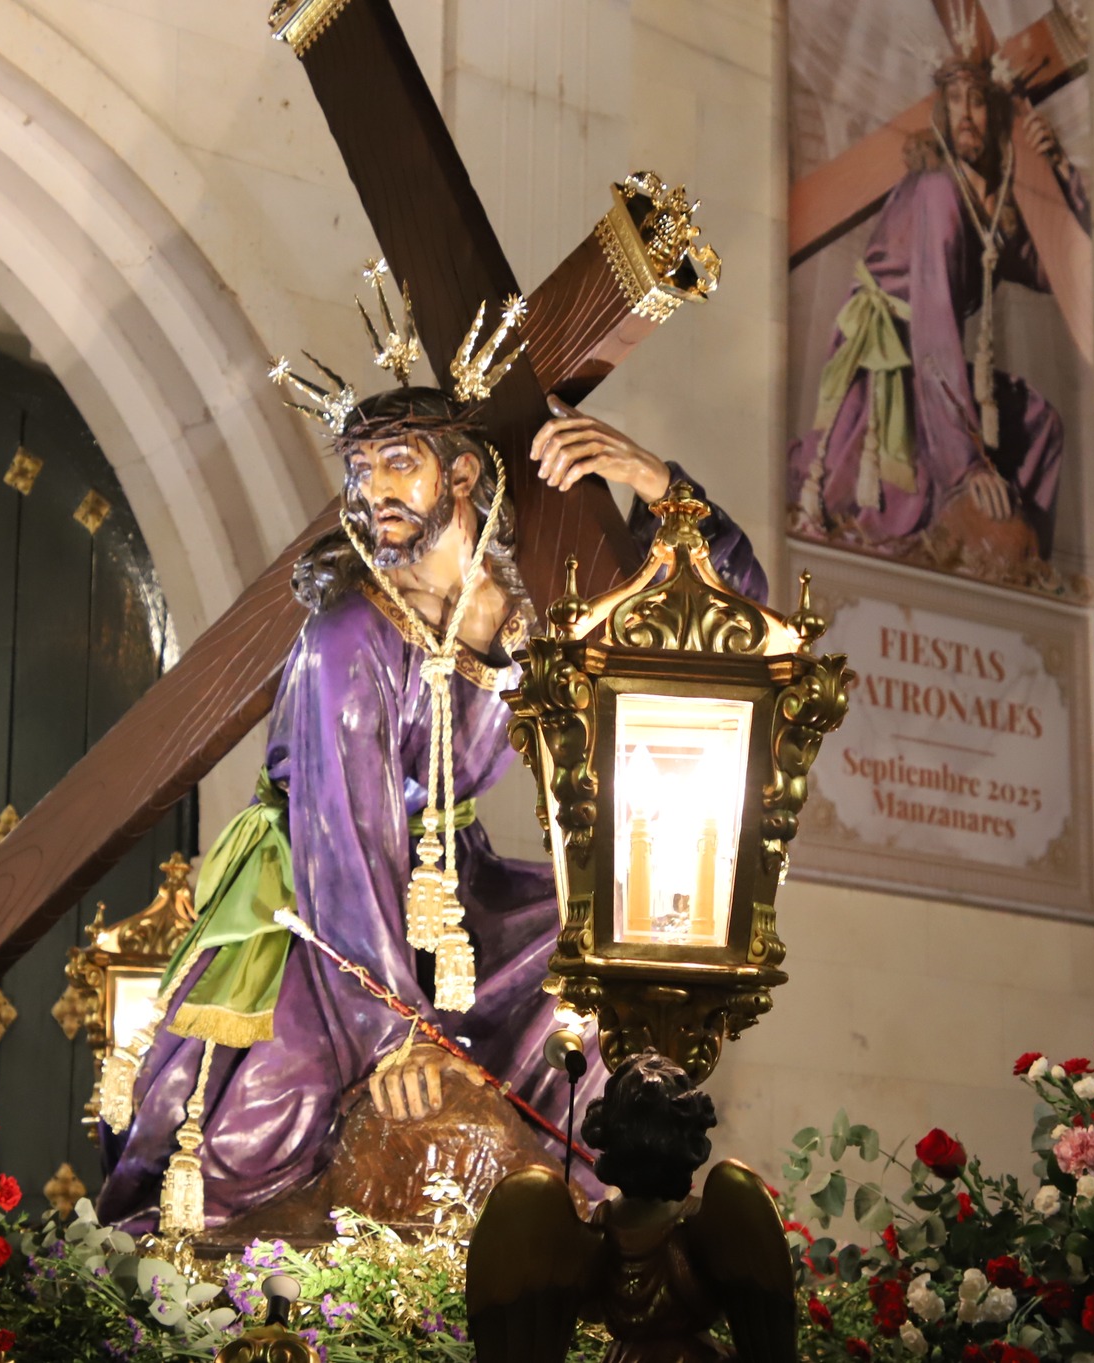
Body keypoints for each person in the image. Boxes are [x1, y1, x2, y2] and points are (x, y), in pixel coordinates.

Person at [94, 371, 767, 1230]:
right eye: (361, 468)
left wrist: (660, 488)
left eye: (397, 463)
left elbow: (724, 622)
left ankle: (591, 1228)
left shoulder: (529, 611)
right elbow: (345, 847)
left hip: (454, 897)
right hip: (316, 911)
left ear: (459, 476)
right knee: (257, 1137)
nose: (374, 490)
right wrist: (395, 1038)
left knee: (592, 968)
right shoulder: (347, 638)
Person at [789, 56, 1088, 563]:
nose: (966, 113)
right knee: (917, 495)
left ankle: (1025, 576)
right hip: (890, 366)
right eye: (955, 101)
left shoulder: (990, 211)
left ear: (997, 117)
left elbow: (1059, 272)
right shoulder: (938, 190)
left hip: (932, 363)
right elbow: (934, 323)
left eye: (978, 101)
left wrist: (1061, 173)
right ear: (941, 116)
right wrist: (965, 465)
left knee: (1041, 425)